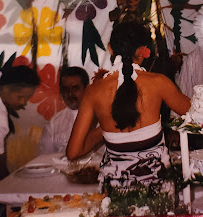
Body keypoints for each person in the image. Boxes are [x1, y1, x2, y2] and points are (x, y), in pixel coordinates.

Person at [66, 22, 191, 190]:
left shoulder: (93, 91)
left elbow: (73, 152)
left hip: (115, 195)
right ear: (143, 51)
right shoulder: (159, 83)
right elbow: (198, 114)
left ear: (110, 48)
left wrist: (106, 128)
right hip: (157, 191)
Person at [0, 65, 40, 187]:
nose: (23, 102)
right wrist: (7, 188)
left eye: (27, 98)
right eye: (20, 97)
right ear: (5, 89)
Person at [38, 66, 89, 154]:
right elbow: (45, 158)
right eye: (65, 89)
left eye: (75, 88)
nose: (69, 94)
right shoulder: (54, 123)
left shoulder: (101, 120)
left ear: (87, 89)